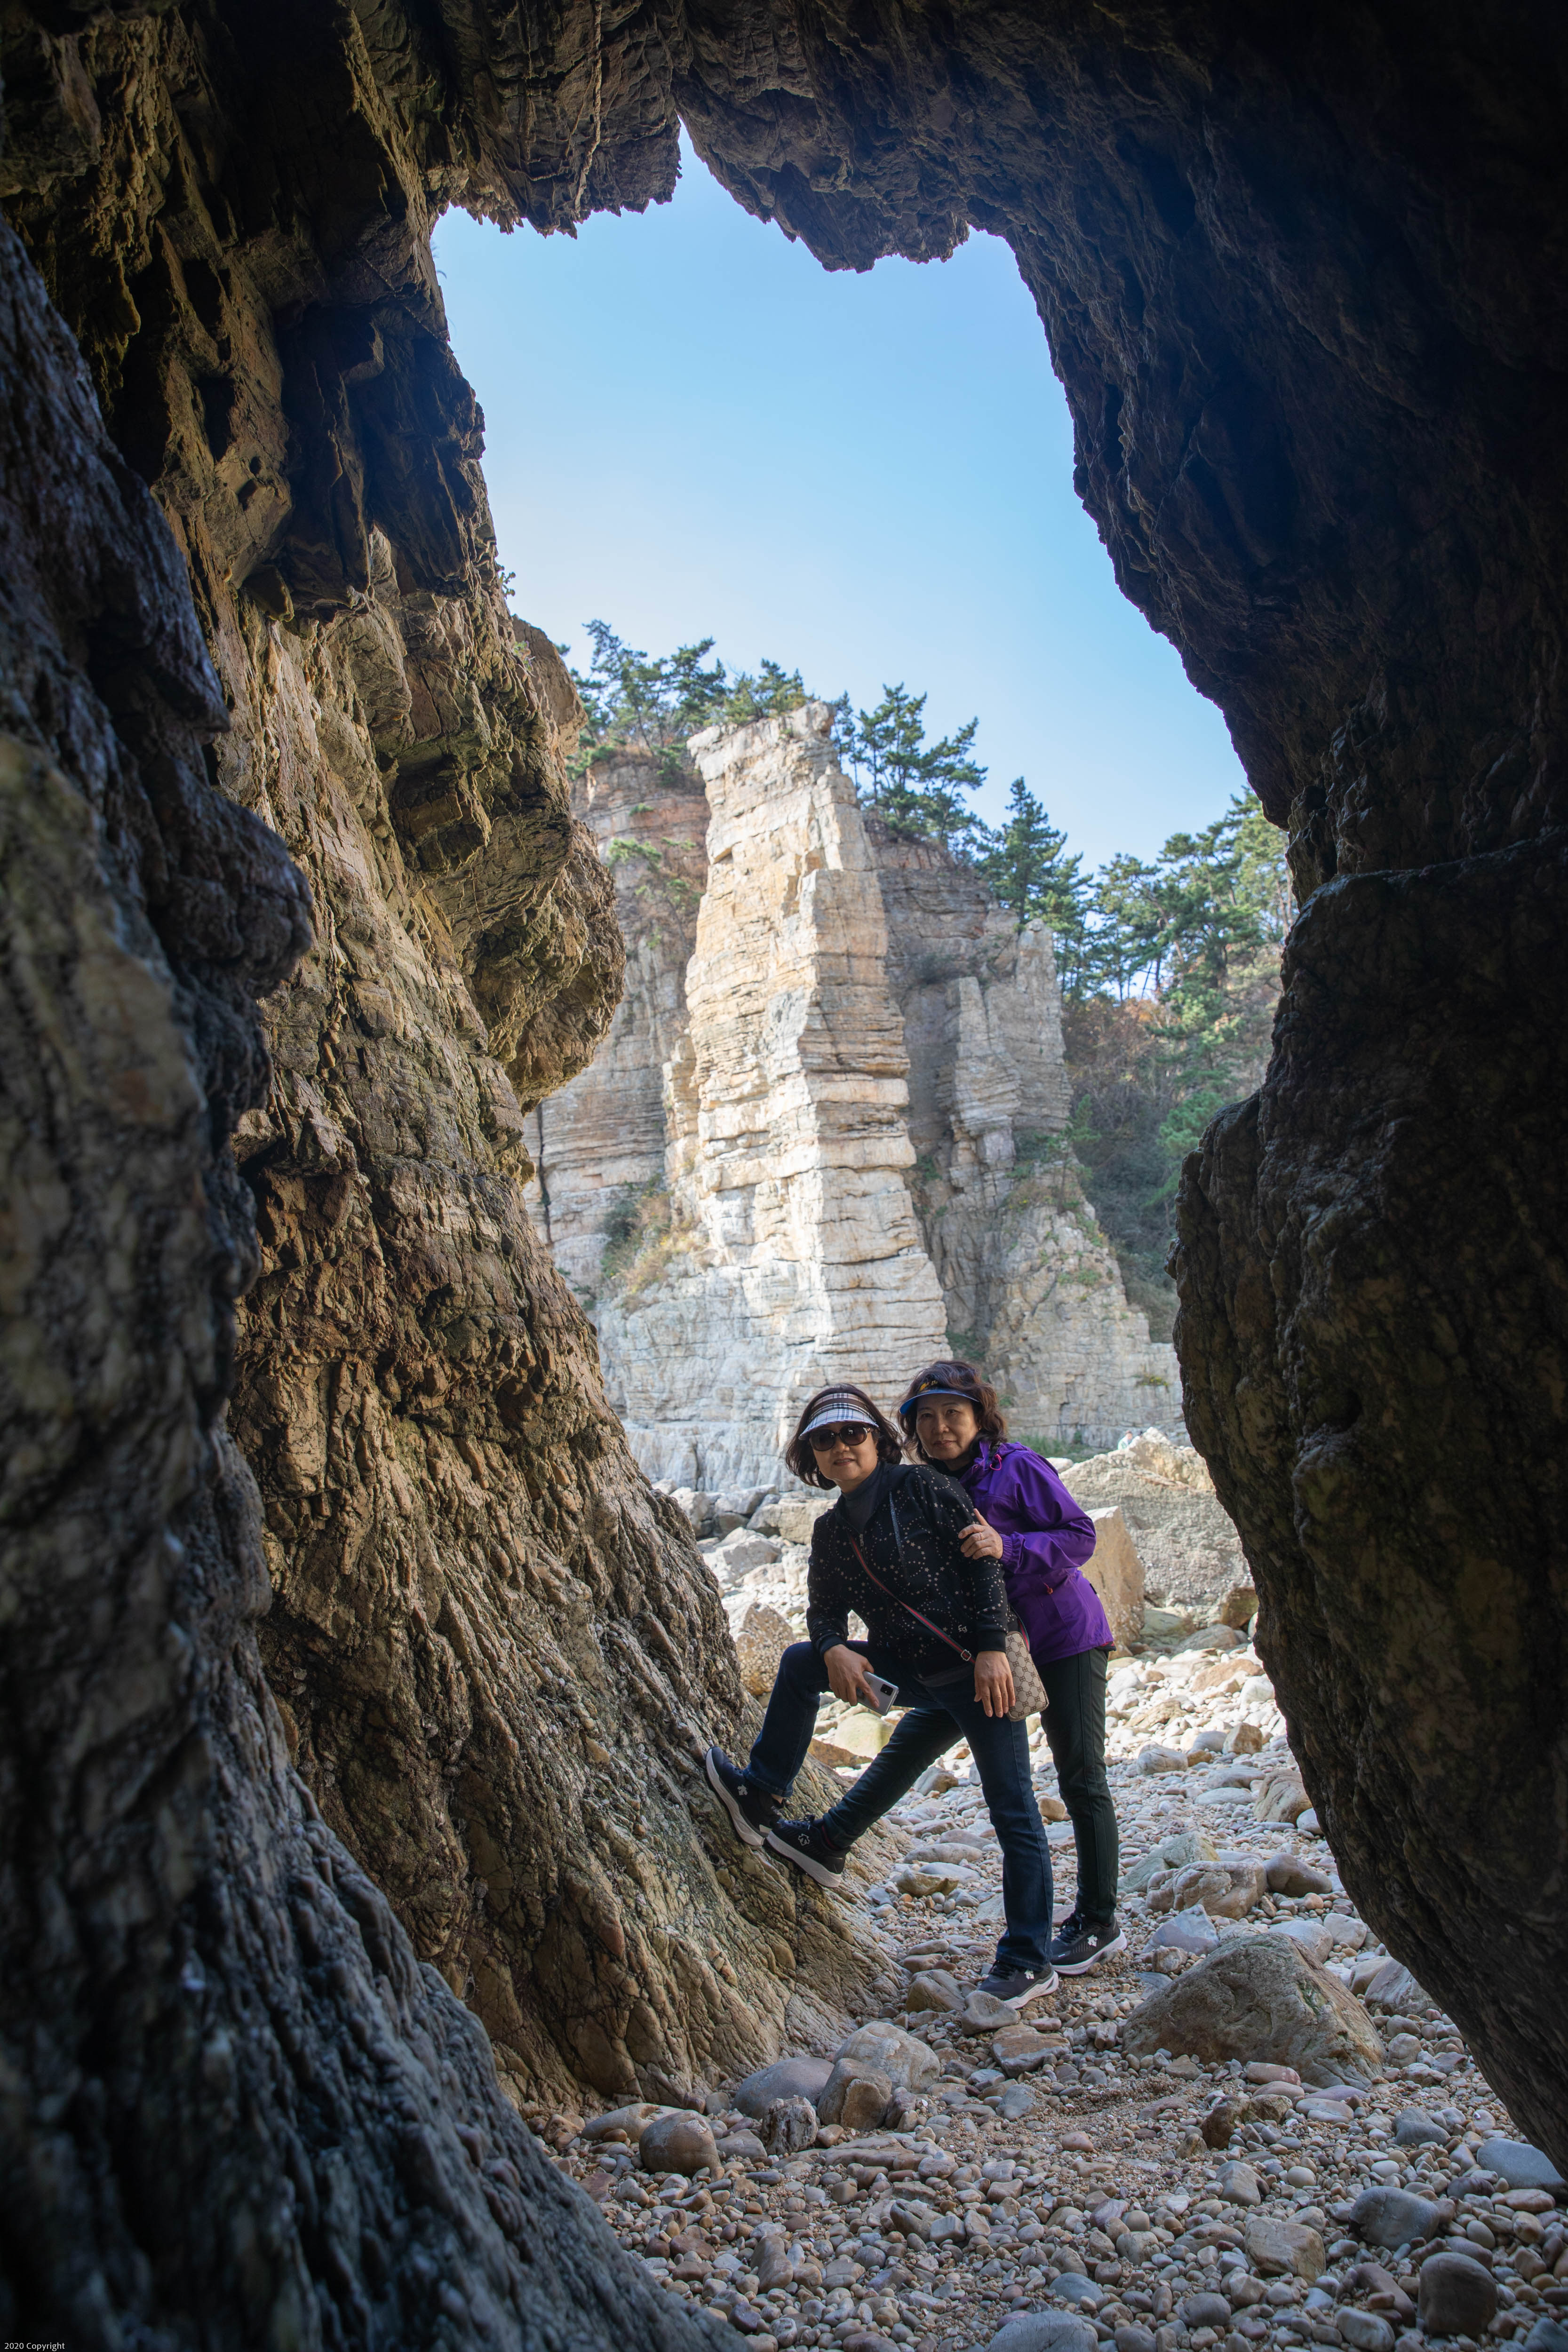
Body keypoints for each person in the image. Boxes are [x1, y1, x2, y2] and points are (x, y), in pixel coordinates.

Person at [705, 1382, 1059, 2007]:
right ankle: (761, 1796)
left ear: (878, 1441)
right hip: (910, 1671)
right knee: (800, 1662)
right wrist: (832, 1647)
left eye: (853, 1433)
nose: (841, 1446)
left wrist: (993, 1649)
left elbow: (982, 1564)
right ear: (811, 1457)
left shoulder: (922, 1487)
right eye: (825, 1439)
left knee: (1013, 1810)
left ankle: (1028, 1958)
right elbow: (823, 1612)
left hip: (978, 1674)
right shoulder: (830, 1530)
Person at [896, 1359, 1127, 1974]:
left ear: (979, 1417)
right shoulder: (926, 1486)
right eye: (926, 1417)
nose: (940, 1428)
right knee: (929, 1736)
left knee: (1080, 1773)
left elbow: (1080, 1536)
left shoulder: (1016, 1467)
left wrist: (1009, 1546)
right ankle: (833, 1834)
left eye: (953, 1413)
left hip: (1064, 1634)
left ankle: (1099, 1919)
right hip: (993, 1650)